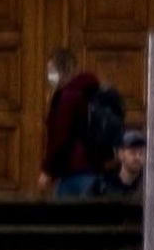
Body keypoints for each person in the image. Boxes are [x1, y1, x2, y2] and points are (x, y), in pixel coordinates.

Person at [39, 47, 125, 198]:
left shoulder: (68, 96)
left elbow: (61, 137)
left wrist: (48, 170)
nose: (49, 76)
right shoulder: (89, 91)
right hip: (94, 168)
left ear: (62, 70)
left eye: (51, 71)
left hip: (73, 170)